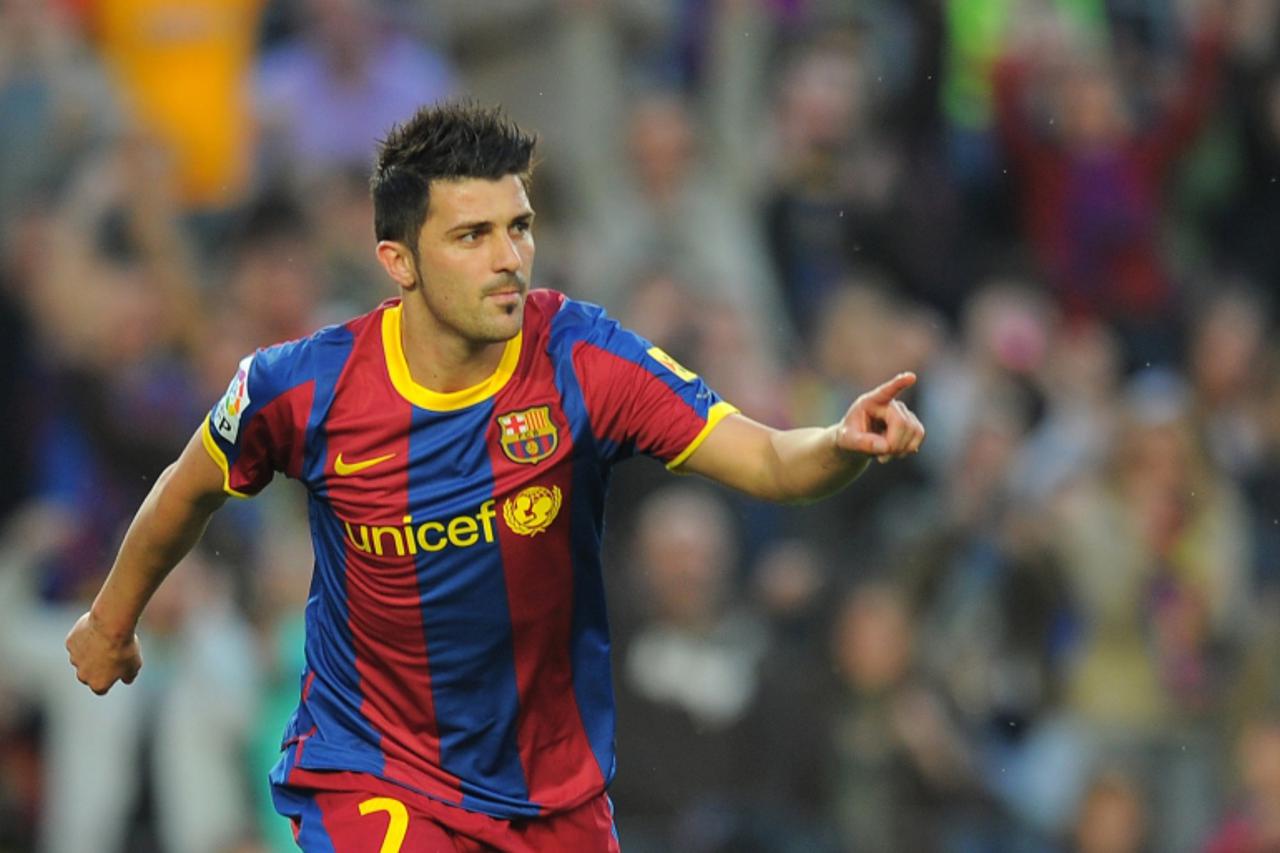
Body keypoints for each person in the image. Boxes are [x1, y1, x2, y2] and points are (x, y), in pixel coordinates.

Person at [64, 102, 925, 852]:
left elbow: (768, 458)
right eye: (472, 235)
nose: (510, 257)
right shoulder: (301, 387)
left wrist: (841, 441)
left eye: (520, 226)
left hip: (554, 796)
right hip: (376, 772)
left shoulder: (582, 358)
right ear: (399, 260)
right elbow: (188, 489)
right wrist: (111, 620)